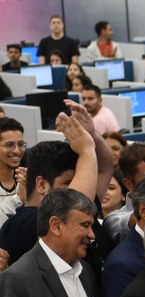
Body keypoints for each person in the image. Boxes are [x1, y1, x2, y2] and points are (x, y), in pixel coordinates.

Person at [0, 104, 114, 271]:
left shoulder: (86, 205)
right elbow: (71, 205)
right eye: (68, 183)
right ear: (41, 184)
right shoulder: (23, 224)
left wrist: (91, 136)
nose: (82, 184)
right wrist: (86, 151)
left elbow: (104, 168)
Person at [0, 118, 25, 228]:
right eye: (9, 145)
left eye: (21, 144)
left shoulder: (26, 180)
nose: (17, 150)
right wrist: (20, 199)